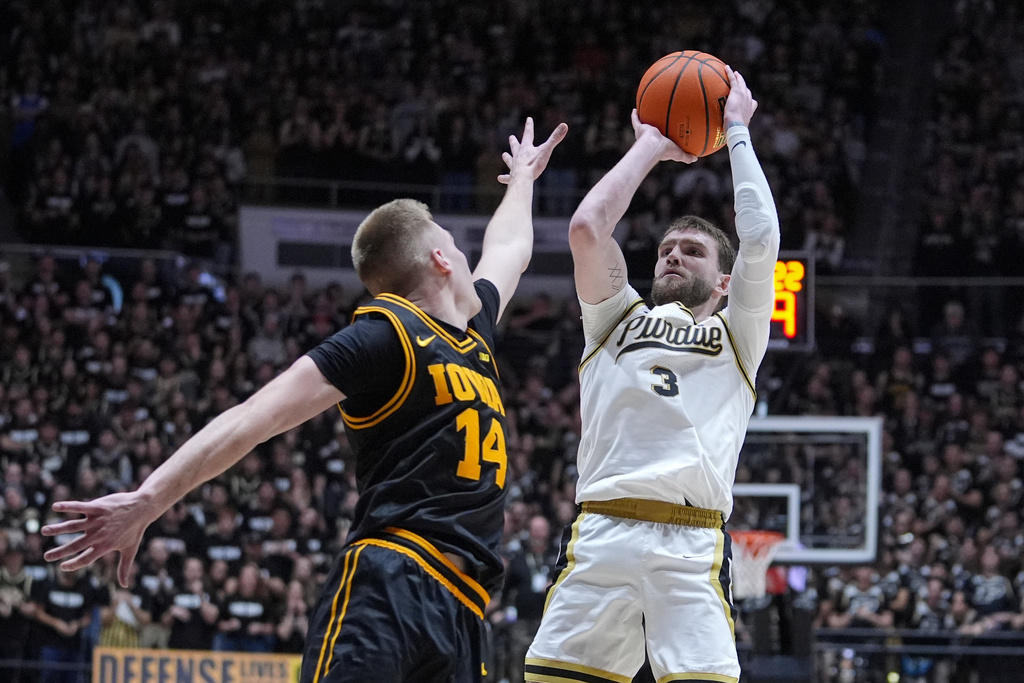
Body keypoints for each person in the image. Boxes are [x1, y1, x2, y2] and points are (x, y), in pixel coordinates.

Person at [41, 116, 567, 683]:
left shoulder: (475, 331)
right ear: (441, 261)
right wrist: (148, 499)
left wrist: (522, 180)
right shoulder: (384, 334)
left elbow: (510, 245)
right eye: (454, 247)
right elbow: (253, 418)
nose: (467, 257)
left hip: (465, 609)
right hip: (392, 582)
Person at [524, 68, 777, 683]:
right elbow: (587, 229)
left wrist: (737, 129)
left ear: (723, 282)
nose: (673, 254)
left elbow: (762, 237)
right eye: (668, 247)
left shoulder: (737, 335)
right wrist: (651, 146)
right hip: (602, 531)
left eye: (692, 251)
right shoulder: (614, 318)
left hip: (691, 543)